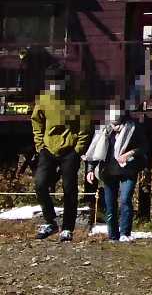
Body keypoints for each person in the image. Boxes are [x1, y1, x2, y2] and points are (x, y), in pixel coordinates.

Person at [31, 68, 90, 241]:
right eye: (52, 84)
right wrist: (40, 145)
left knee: (69, 188)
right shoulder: (44, 99)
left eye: (58, 83)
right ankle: (50, 221)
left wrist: (78, 149)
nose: (55, 87)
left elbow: (85, 126)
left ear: (65, 82)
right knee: (40, 184)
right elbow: (36, 121)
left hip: (70, 150)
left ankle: (67, 228)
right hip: (48, 149)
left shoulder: (77, 100)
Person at [83, 102, 149, 242]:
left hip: (128, 169)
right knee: (110, 204)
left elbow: (144, 147)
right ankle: (112, 235)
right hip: (108, 170)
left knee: (125, 200)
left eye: (117, 111)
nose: (114, 115)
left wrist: (129, 153)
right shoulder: (103, 129)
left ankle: (125, 232)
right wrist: (90, 169)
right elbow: (93, 150)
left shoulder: (133, 127)